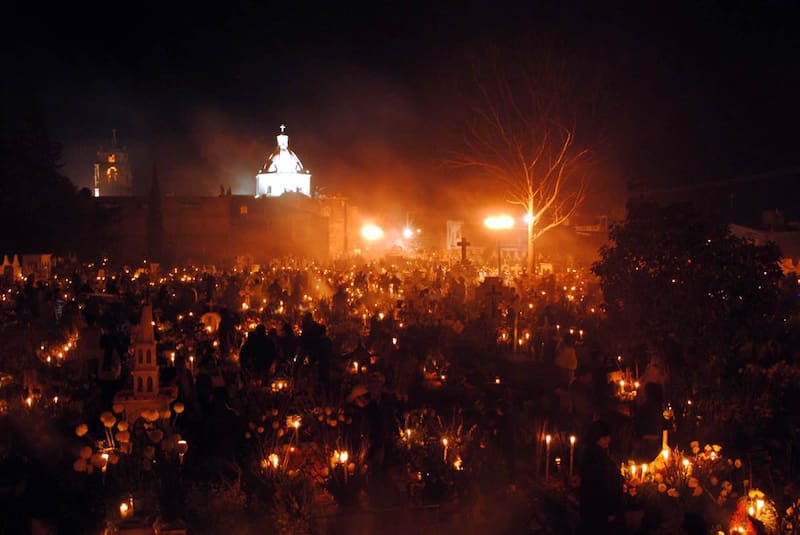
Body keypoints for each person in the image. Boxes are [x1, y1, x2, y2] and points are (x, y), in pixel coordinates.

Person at [578, 420, 625, 535]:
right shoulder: (598, 458)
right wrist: (611, 510)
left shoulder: (589, 454)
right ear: (599, 438)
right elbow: (605, 484)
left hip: (590, 508)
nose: (609, 440)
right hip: (600, 510)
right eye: (607, 437)